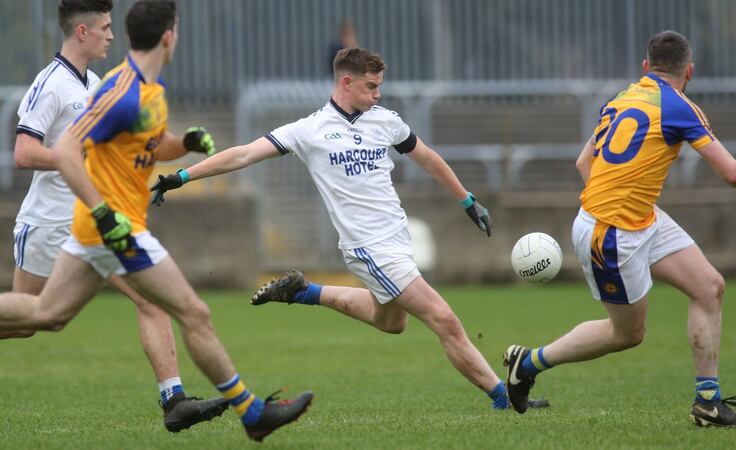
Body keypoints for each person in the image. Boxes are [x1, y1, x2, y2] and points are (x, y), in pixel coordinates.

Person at [151, 47, 548, 411]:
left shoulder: (386, 121)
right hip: (368, 248)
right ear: (346, 82)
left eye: (379, 86)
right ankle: (503, 396)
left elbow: (427, 158)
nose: (377, 94)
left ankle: (304, 292)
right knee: (444, 319)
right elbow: (243, 154)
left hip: (397, 241)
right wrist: (182, 175)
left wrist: (466, 199)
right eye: (371, 86)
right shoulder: (309, 129)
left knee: (391, 322)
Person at [0, 0, 312, 442]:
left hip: (98, 229)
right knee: (193, 311)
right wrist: (105, 211)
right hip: (109, 229)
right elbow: (65, 151)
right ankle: (251, 412)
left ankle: (188, 401)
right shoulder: (118, 91)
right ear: (168, 36)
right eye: (178, 30)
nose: (107, 34)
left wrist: (182, 143)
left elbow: (149, 141)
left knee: (46, 315)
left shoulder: (148, 89)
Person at [502, 30, 736, 427]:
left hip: (638, 217)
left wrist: (618, 201)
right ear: (690, 71)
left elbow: (584, 164)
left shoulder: (621, 98)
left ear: (646, 68)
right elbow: (734, 173)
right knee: (627, 334)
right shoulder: (681, 106)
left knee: (709, 287)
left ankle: (708, 402)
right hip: (612, 232)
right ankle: (527, 363)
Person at [9, 0, 228, 433]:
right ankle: (175, 399)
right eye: (106, 27)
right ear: (83, 33)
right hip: (47, 222)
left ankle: (175, 400)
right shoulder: (51, 83)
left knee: (148, 298)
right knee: (29, 323)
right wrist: (80, 154)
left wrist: (177, 144)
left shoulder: (98, 82)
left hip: (87, 221)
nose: (113, 35)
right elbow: (24, 152)